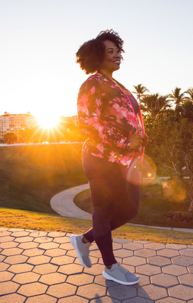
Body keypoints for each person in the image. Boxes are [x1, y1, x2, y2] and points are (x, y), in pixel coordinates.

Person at [71, 30, 148, 286]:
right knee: (103, 210)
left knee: (130, 209)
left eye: (118, 51)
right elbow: (88, 123)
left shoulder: (119, 87)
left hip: (125, 160)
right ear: (96, 56)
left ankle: (84, 240)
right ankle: (110, 266)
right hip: (100, 157)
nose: (117, 56)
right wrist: (126, 141)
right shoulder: (92, 84)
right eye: (110, 52)